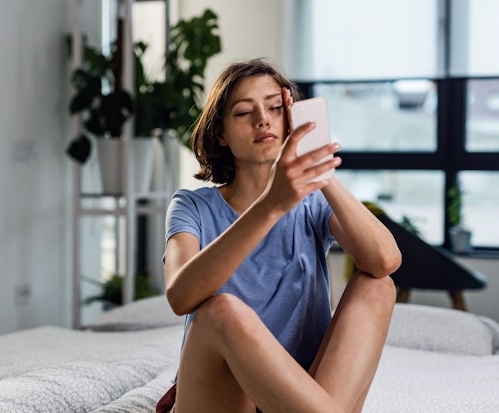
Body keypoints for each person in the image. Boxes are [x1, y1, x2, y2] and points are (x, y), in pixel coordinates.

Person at [160, 57, 401, 413]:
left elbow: (385, 260)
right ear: (221, 133)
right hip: (221, 400)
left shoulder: (314, 203)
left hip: (300, 397)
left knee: (377, 285)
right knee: (222, 310)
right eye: (244, 113)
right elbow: (180, 295)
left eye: (275, 107)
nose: (263, 119)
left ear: (291, 119)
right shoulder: (191, 206)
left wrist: (319, 167)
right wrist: (270, 205)